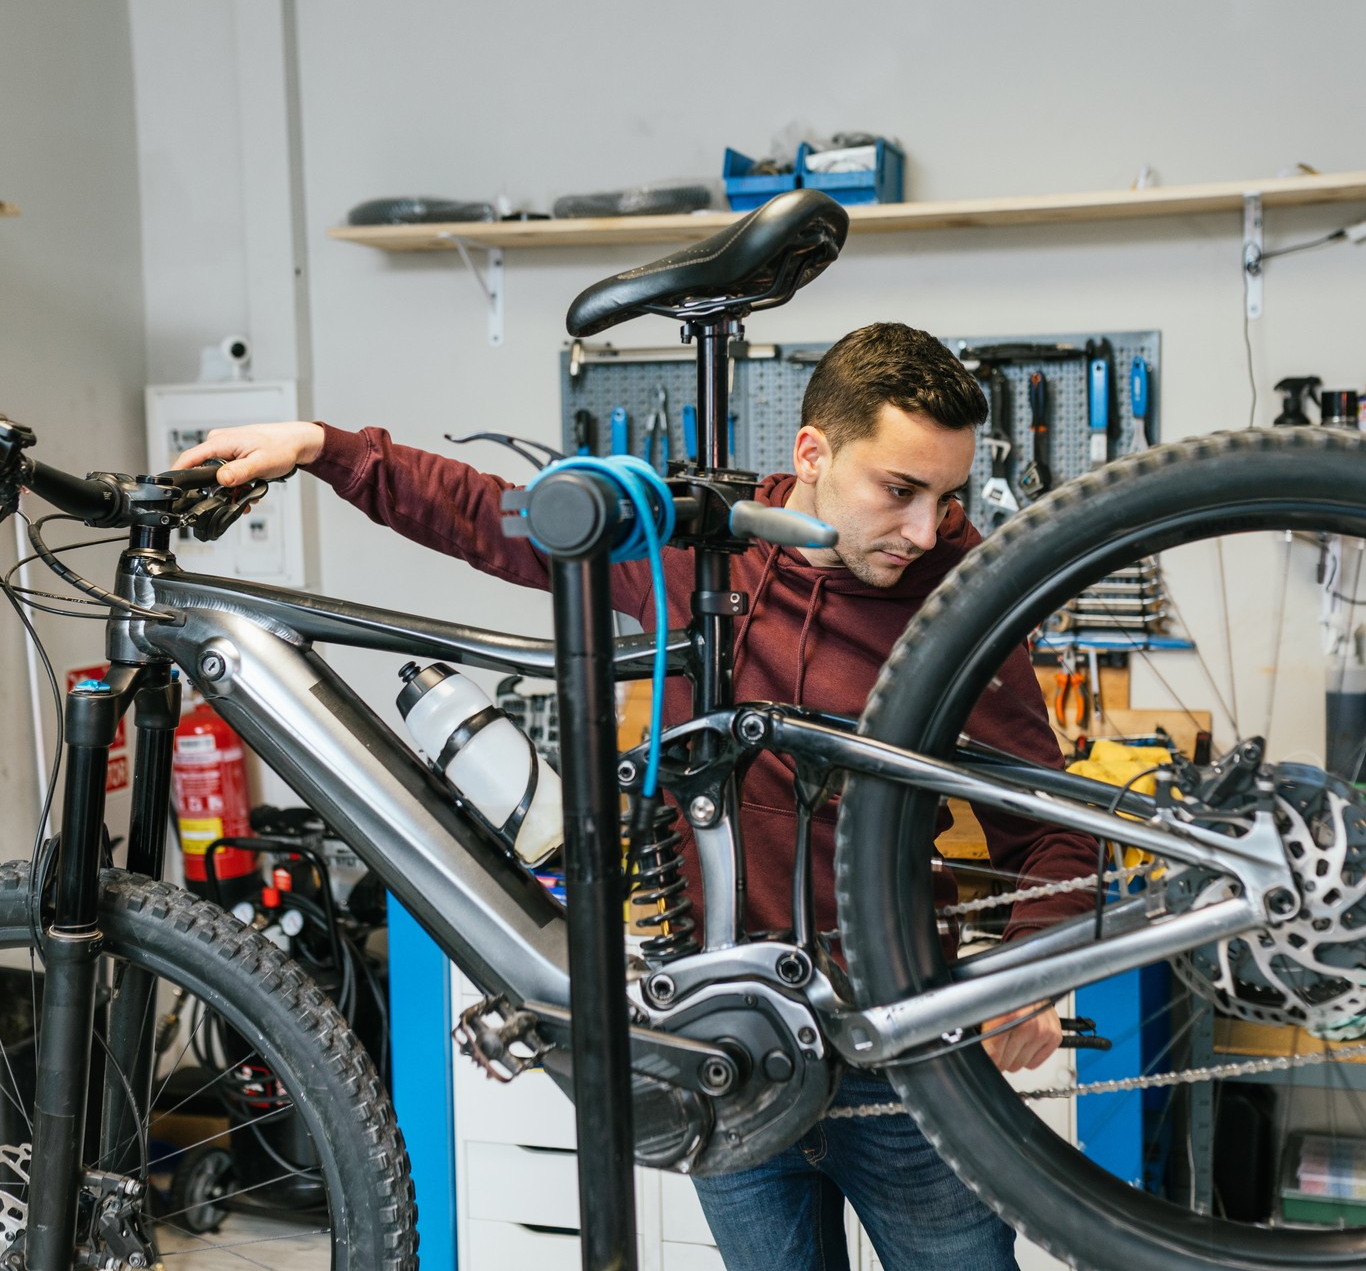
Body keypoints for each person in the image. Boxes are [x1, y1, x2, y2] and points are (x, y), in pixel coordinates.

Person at [174, 321, 1099, 1271]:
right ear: (813, 452)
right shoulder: (704, 556)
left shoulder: (960, 597)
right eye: (899, 491)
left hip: (902, 1066)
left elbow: (1052, 832)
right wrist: (329, 451)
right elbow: (497, 516)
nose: (922, 529)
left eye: (944, 499)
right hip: (720, 1047)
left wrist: (1032, 971)